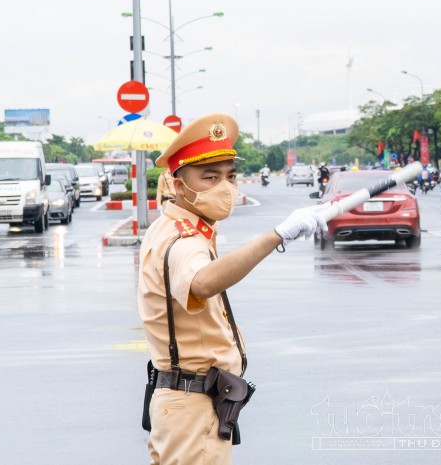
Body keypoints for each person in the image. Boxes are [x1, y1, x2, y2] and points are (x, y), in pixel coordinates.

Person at [138, 113, 326, 465]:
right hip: (192, 405)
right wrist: (276, 236)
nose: (224, 186)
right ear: (179, 186)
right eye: (209, 177)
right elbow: (203, 281)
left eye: (230, 176)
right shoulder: (184, 240)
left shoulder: (170, 225)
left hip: (184, 401)